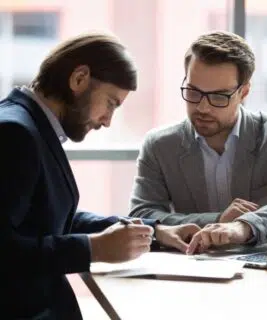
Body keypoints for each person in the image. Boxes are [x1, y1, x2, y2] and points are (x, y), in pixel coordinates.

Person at [0, 33, 200, 319]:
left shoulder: (30, 126)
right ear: (79, 79)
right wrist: (91, 249)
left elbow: (49, 217)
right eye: (111, 103)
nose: (107, 121)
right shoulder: (14, 134)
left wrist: (152, 231)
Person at [129, 30, 267, 254]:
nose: (202, 107)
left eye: (219, 96)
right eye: (193, 92)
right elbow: (143, 215)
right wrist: (217, 220)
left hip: (265, 266)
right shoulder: (160, 145)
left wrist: (244, 227)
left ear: (244, 91)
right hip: (190, 267)